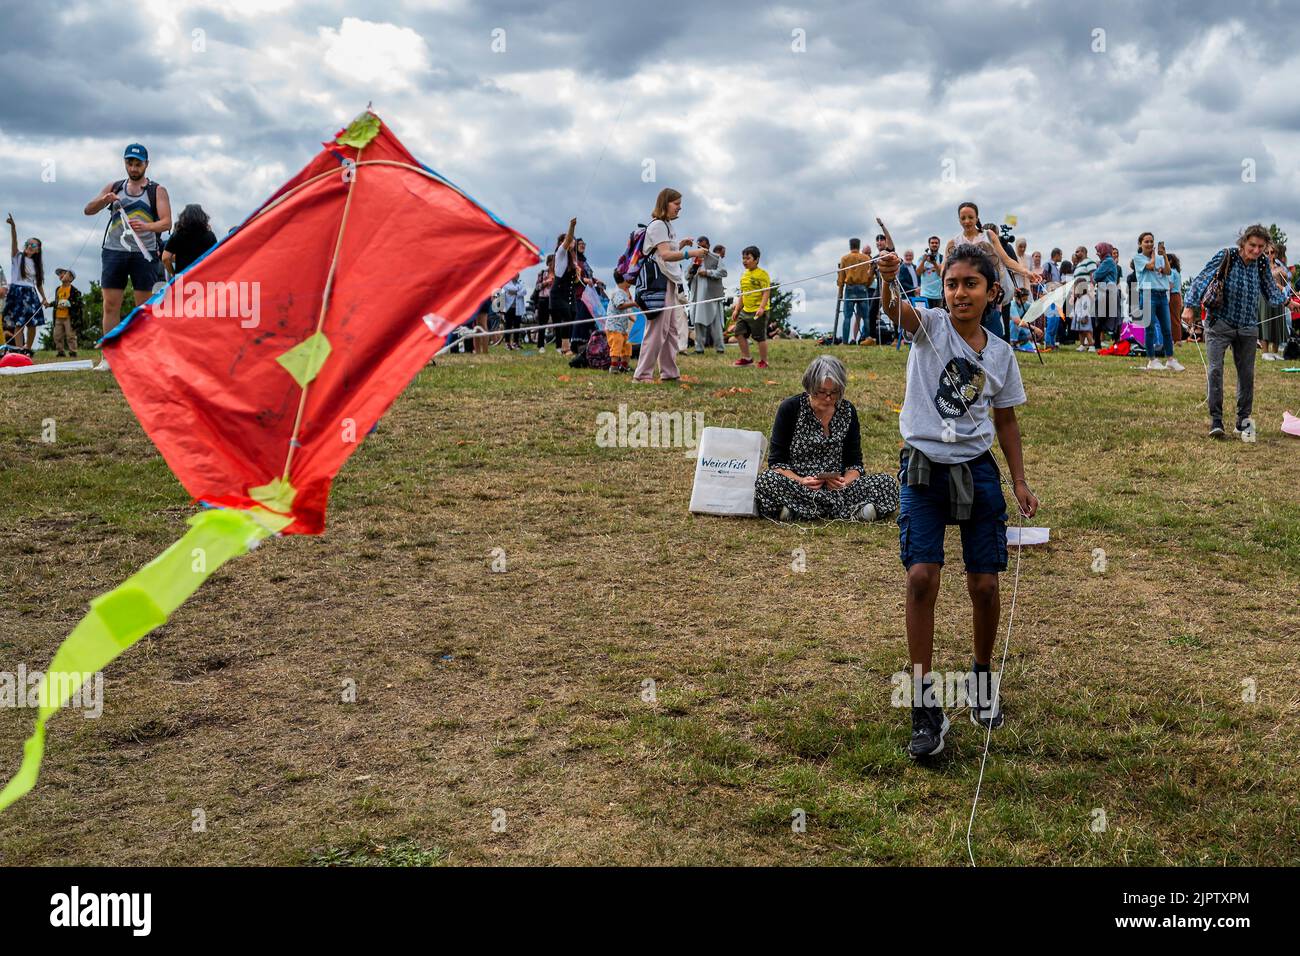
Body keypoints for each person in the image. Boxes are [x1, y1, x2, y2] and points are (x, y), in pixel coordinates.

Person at [878, 244, 1038, 758]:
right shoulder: (929, 328)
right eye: (951, 284)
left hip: (977, 472)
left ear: (993, 293)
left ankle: (981, 679)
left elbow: (1007, 420)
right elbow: (896, 311)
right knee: (921, 577)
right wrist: (887, 279)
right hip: (923, 469)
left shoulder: (1000, 355)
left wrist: (1018, 480)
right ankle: (925, 706)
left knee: (985, 585)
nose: (959, 292)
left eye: (971, 284)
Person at [754, 355, 899, 521]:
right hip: (800, 486)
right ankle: (850, 511)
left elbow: (855, 463)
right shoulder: (790, 408)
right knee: (766, 481)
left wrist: (844, 482)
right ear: (810, 387)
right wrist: (801, 481)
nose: (828, 398)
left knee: (886, 483)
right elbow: (777, 463)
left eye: (834, 392)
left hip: (839, 490)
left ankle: (798, 511)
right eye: (821, 392)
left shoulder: (847, 410)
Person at [1184, 224, 1291, 438]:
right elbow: (1202, 278)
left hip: (1248, 326)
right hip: (1219, 323)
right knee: (1215, 371)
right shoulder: (1227, 256)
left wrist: (1288, 302)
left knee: (1247, 375)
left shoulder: (1261, 263)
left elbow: (1270, 289)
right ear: (1243, 242)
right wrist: (1189, 305)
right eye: (1252, 245)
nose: (1256, 250)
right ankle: (1216, 421)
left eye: (1261, 246)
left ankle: (1243, 423)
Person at [84, 143, 171, 371]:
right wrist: (105, 200)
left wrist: (146, 225)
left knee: (142, 308)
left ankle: (143, 355)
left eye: (137, 164)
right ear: (125, 163)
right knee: (111, 304)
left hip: (144, 253)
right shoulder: (114, 186)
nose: (133, 168)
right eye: (129, 163)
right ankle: (109, 358)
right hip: (114, 251)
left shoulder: (157, 190)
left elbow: (167, 222)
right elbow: (88, 209)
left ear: (146, 165)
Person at [633, 188, 707, 383]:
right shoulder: (658, 225)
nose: (679, 208)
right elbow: (664, 255)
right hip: (660, 282)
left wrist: (680, 245)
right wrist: (692, 254)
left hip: (670, 281)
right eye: (676, 204)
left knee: (672, 330)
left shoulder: (666, 226)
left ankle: (669, 372)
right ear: (665, 204)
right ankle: (642, 375)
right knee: (657, 330)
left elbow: (664, 253)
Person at [944, 203, 1037, 341]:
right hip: (967, 293)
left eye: (970, 217)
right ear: (959, 220)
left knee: (994, 332)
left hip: (990, 293)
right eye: (963, 218)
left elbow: (1006, 260)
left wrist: (1026, 272)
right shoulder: (954, 242)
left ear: (977, 218)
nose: (967, 221)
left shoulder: (989, 235)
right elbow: (945, 271)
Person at [1132, 232, 1178, 371]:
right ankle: (1152, 360)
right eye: (1146, 241)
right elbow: (1151, 266)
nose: (1150, 244)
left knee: (1166, 329)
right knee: (1150, 328)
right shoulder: (1138, 258)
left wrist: (1164, 255)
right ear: (1140, 244)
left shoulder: (1159, 257)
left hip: (1161, 294)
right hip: (1147, 293)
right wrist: (1153, 256)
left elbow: (1168, 272)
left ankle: (1170, 359)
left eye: (1152, 241)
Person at [2, 214, 48, 354]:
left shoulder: (36, 265)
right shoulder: (18, 257)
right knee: (19, 323)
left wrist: (44, 298)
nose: (29, 246)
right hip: (17, 292)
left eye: (33, 244)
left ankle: (28, 348)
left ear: (38, 249)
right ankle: (19, 349)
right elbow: (14, 242)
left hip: (31, 293)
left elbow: (38, 284)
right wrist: (13, 228)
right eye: (27, 243)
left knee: (32, 323)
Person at [730, 246, 770, 368]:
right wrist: (737, 309)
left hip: (758, 311)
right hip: (745, 311)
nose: (744, 261)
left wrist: (762, 308)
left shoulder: (762, 274)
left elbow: (766, 292)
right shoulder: (744, 275)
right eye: (743, 258)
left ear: (756, 259)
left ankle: (764, 361)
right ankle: (747, 358)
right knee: (738, 333)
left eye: (748, 258)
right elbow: (742, 294)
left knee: (759, 337)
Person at [689, 240, 728, 354]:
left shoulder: (716, 257)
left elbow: (723, 272)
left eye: (704, 246)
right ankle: (699, 349)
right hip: (698, 297)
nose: (702, 248)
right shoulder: (694, 258)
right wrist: (691, 272)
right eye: (699, 246)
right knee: (698, 323)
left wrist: (708, 273)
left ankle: (720, 348)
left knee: (716, 324)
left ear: (709, 246)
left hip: (712, 296)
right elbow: (687, 275)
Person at [161, 204, 217, 276]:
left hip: (182, 277)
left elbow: (165, 258)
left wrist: (173, 274)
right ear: (203, 217)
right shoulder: (210, 235)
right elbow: (215, 257)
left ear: (183, 217)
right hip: (203, 277)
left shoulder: (177, 235)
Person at [836, 237, 874, 344]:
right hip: (862, 288)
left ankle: (845, 341)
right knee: (865, 316)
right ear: (859, 245)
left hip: (850, 288)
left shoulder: (845, 258)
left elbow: (841, 276)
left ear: (850, 246)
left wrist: (840, 292)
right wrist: (866, 285)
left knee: (847, 317)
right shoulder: (866, 258)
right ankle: (867, 339)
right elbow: (871, 275)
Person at [1257, 245, 1290, 360]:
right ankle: (1265, 352)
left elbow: (1286, 284)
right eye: (1267, 252)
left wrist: (1284, 276)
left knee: (1277, 322)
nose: (1269, 254)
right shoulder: (1260, 267)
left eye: (1272, 252)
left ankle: (1275, 352)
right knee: (1265, 321)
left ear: (1275, 254)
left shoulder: (1279, 267)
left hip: (1278, 298)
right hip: (1264, 298)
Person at [605, 270, 635, 373]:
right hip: (614, 327)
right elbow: (620, 305)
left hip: (623, 328)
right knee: (616, 346)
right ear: (625, 279)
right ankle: (613, 367)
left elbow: (628, 312)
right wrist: (634, 304)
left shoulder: (625, 294)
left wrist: (636, 320)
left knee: (627, 346)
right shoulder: (617, 292)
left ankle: (624, 366)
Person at [1092, 242, 1121, 348]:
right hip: (1108, 291)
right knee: (1112, 317)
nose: (1097, 253)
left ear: (1104, 250)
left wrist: (1095, 272)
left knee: (1100, 318)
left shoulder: (1107, 261)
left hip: (1107, 292)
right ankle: (1115, 342)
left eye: (1099, 251)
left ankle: (1098, 344)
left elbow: (1096, 276)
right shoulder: (1106, 261)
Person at [50, 267, 82, 357]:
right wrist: (49, 305)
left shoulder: (74, 291)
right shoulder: (58, 289)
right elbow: (57, 302)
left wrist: (70, 303)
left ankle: (73, 351)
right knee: (57, 335)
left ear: (71, 278)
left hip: (69, 316)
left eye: (63, 273)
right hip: (58, 316)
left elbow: (79, 303)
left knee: (70, 335)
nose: (60, 275)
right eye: (59, 274)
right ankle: (60, 351)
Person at [499, 272, 527, 350]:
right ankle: (507, 343)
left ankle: (515, 343)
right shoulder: (506, 283)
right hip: (509, 308)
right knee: (508, 326)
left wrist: (515, 292)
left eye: (518, 273)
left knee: (517, 326)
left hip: (518, 308)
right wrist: (518, 291)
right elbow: (508, 289)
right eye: (516, 273)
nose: (517, 275)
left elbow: (524, 291)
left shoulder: (521, 282)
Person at [532, 257, 554, 351]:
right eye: (551, 262)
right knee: (542, 323)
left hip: (554, 300)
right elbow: (537, 287)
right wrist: (545, 283)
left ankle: (559, 345)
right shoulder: (542, 273)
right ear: (548, 263)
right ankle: (541, 345)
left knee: (558, 322)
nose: (553, 264)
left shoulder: (559, 274)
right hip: (543, 300)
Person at [1069, 276, 1095, 351]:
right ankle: (1082, 345)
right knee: (1080, 332)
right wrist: (1073, 314)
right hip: (1078, 317)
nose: (1075, 289)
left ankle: (1091, 346)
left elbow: (1085, 308)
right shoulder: (1079, 298)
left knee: (1087, 331)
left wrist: (1084, 317)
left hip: (1084, 317)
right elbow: (1076, 308)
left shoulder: (1085, 297)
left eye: (1076, 287)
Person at [918, 236, 944, 309]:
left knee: (937, 317)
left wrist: (934, 263)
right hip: (924, 294)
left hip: (938, 295)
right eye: (932, 243)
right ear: (929, 244)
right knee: (925, 317)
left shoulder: (942, 258)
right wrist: (923, 260)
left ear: (939, 244)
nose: (934, 244)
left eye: (936, 243)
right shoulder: (922, 258)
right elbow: (918, 273)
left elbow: (940, 274)